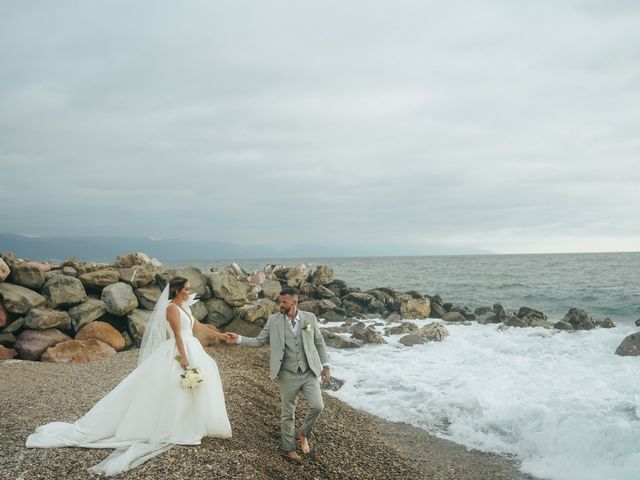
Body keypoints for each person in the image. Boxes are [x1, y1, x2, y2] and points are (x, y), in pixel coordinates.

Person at [26, 277, 232, 476]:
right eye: (186, 289)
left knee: (190, 387)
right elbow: (178, 335)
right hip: (179, 351)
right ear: (177, 291)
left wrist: (219, 335)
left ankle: (190, 424)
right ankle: (171, 427)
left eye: (189, 288)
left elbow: (197, 327)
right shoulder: (171, 308)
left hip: (192, 347)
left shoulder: (184, 307)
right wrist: (184, 358)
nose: (189, 292)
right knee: (175, 386)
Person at [228, 287, 330, 460]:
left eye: (283, 302)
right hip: (287, 373)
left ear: (294, 302)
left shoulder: (309, 318)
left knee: (318, 406)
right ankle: (289, 448)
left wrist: (325, 365)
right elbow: (259, 341)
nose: (280, 305)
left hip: (309, 371)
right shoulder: (274, 320)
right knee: (287, 413)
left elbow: (319, 342)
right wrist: (238, 339)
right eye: (280, 301)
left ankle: (304, 433)